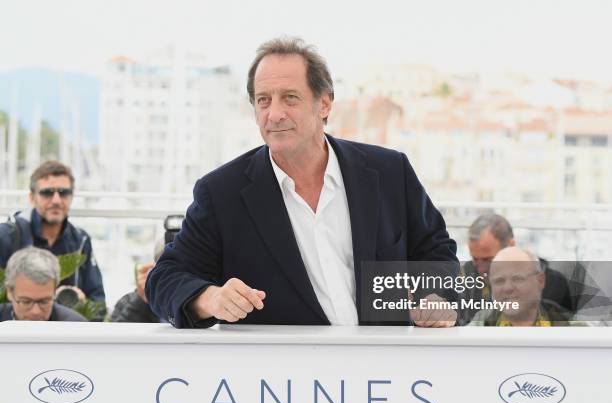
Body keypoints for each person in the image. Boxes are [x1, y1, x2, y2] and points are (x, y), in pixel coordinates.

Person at [146, 37, 458, 329]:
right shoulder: (221, 193)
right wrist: (209, 298)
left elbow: (437, 252)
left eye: (290, 98)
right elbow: (164, 279)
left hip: (387, 371)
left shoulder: (389, 172)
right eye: (263, 100)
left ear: (324, 104)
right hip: (281, 379)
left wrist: (436, 298)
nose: (275, 114)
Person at [0, 161, 105, 308]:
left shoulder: (80, 240)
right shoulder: (7, 235)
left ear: (72, 197)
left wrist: (81, 302)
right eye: (47, 193)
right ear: (32, 198)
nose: (56, 200)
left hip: (67, 327)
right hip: (17, 327)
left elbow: (98, 303)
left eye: (64, 193)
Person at [458, 213, 573, 324]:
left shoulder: (552, 283)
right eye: (475, 259)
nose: (481, 269)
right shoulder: (465, 277)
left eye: (488, 260)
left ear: (511, 245)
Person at [469, 247, 570, 326]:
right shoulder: (477, 327)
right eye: (499, 281)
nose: (507, 288)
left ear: (540, 281)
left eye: (517, 278)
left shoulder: (572, 327)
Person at [1, 247, 87, 321]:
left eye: (44, 302)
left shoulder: (75, 327)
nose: (35, 312)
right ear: (10, 292)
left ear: (54, 292)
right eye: (26, 302)